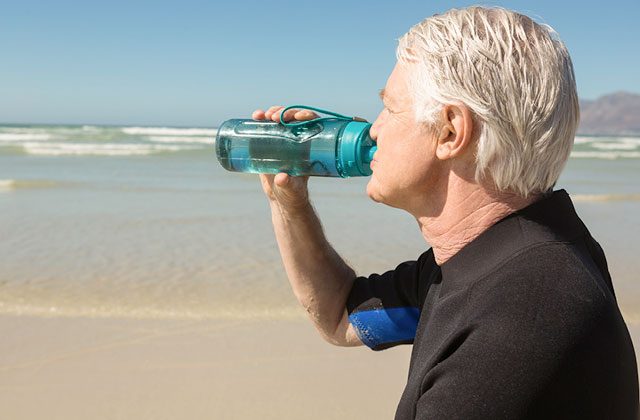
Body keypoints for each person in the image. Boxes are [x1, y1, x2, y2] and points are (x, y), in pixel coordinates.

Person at [252, 6, 639, 419]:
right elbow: (339, 315)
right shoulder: (488, 260)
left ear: (450, 131)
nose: (374, 129)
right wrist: (288, 202)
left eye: (391, 108)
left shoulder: (524, 316)